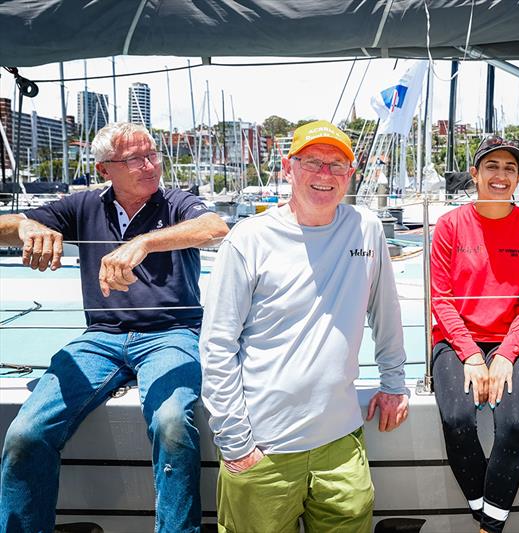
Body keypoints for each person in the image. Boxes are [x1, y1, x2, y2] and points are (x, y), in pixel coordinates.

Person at [0, 122, 229, 533]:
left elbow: (214, 228)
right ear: (106, 170)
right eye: (135, 159)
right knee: (25, 433)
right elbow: (7, 226)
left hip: (171, 334)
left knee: (173, 422)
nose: (150, 165)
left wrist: (144, 242)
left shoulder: (176, 202)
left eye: (153, 154)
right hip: (100, 339)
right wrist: (26, 226)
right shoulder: (83, 206)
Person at [200, 120, 408, 533]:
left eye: (337, 165)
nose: (324, 175)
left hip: (341, 448)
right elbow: (217, 345)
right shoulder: (249, 239)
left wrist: (394, 383)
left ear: (351, 175)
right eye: (312, 161)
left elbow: (386, 310)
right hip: (263, 449)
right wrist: (237, 442)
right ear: (287, 167)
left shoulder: (365, 228)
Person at [430, 136, 519, 533]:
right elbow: (441, 300)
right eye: (492, 167)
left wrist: (504, 355)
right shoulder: (449, 225)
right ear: (475, 174)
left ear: (518, 178)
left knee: (514, 425)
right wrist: (469, 355)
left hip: (512, 343)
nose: (501, 175)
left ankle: (488, 528)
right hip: (456, 338)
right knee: (458, 419)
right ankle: (485, 510)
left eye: (510, 169)